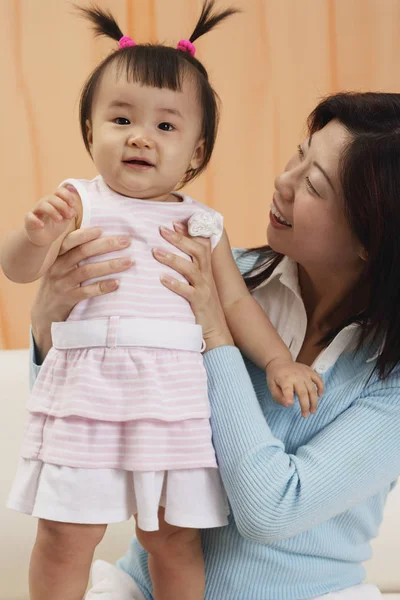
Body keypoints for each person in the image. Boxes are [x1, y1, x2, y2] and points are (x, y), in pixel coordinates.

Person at [1, 2, 325, 600]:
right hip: (89, 395)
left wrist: (279, 361)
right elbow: (18, 271)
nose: (140, 137)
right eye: (121, 119)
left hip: (173, 402)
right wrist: (35, 236)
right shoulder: (79, 200)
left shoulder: (203, 225)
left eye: (166, 127)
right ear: (91, 132)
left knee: (176, 539)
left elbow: (236, 305)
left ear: (197, 153)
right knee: (65, 534)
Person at [27, 91, 400, 600]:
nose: (283, 182)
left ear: (373, 238)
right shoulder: (201, 268)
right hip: (144, 588)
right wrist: (49, 322)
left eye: (313, 184)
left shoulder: (390, 377)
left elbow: (272, 510)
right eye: (299, 153)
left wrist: (215, 335)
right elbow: (82, 411)